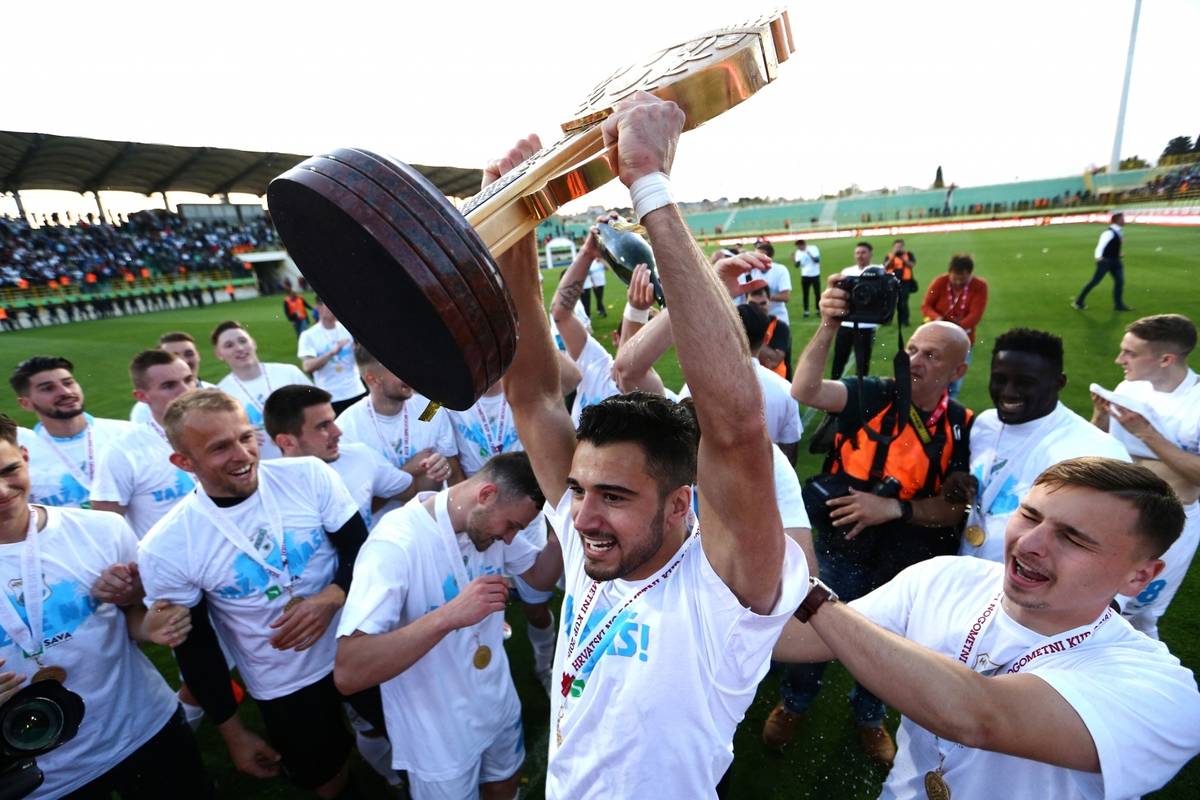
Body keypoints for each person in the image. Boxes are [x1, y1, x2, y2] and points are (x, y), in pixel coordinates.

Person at [488, 92, 807, 798]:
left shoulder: (725, 589)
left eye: (613, 496)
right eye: (579, 491)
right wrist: (515, 228)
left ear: (679, 505)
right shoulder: (590, 544)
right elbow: (534, 394)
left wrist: (649, 185)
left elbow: (737, 429)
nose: (581, 516)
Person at [773, 457, 1200, 799]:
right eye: (1030, 515)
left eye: (1074, 538)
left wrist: (810, 594)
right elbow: (798, 639)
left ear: (1140, 576)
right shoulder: (944, 579)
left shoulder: (1162, 693)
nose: (1029, 544)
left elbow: (976, 716)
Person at [138, 389, 372, 800]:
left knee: (406, 734)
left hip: (358, 641)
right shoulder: (167, 545)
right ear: (183, 462)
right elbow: (196, 647)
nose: (243, 454)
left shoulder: (308, 476)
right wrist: (233, 731)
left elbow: (360, 549)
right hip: (283, 681)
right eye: (220, 447)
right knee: (328, 779)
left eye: (246, 437)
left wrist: (333, 596)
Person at [775, 282, 974, 764]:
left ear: (958, 371)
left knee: (891, 645)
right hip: (843, 545)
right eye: (912, 349)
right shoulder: (875, 393)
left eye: (931, 355)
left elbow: (958, 508)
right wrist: (828, 325)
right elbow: (805, 390)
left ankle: (868, 714)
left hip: (910, 559)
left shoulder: (965, 426)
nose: (917, 360)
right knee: (816, 625)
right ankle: (794, 704)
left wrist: (895, 509)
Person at [0, 414, 212, 799]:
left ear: (26, 457)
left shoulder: (101, 529)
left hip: (144, 728)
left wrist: (149, 623)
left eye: (9, 469)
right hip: (42, 773)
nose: (1, 490)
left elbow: (134, 620)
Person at [333, 453, 560, 799]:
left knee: (505, 783)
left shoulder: (486, 528)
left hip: (497, 701)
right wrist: (449, 616)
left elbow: (539, 580)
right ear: (486, 495)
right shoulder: (394, 545)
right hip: (437, 732)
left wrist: (565, 534)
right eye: (512, 525)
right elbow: (350, 671)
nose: (512, 537)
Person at [959, 328, 1130, 564]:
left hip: (1027, 588)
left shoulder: (1095, 451)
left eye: (1025, 383)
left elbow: (1113, 548)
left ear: (1059, 382)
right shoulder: (985, 424)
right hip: (968, 570)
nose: (1008, 392)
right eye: (999, 379)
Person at [1092, 314, 1200, 638]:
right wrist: (1100, 413)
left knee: (1139, 615)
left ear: (1166, 359)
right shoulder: (1130, 387)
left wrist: (1146, 433)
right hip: (1123, 511)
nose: (1119, 359)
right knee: (1100, 603)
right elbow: (1101, 442)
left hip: (1174, 524)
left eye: (1130, 353)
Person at [446, 382, 560, 690]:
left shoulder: (525, 388)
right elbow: (451, 460)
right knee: (478, 605)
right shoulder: (449, 397)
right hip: (480, 518)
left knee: (536, 607)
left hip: (521, 516)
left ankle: (544, 666)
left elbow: (570, 379)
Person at [264, 383, 431, 527]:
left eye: (333, 421)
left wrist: (433, 467)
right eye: (323, 426)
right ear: (286, 442)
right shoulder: (268, 497)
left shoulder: (361, 457)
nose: (337, 432)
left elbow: (413, 491)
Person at [91, 350, 199, 539]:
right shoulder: (122, 452)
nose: (185, 390)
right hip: (173, 564)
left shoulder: (218, 433)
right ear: (141, 396)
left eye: (188, 380)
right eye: (169, 385)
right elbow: (105, 527)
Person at [11, 355, 132, 508]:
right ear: (26, 403)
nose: (65, 392)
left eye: (68, 383)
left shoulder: (125, 434)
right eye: (48, 388)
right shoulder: (22, 457)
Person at [336, 343, 462, 485]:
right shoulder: (347, 427)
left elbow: (452, 468)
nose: (410, 373)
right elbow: (360, 501)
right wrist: (408, 471)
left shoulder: (430, 408)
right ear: (372, 379)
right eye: (398, 369)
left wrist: (444, 467)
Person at [549, 230, 621, 427]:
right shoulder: (597, 364)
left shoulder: (658, 396)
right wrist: (587, 253)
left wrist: (638, 310)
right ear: (616, 338)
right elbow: (561, 314)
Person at [212, 319, 311, 461]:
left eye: (242, 341)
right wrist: (239, 434)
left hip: (308, 457)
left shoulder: (289, 372)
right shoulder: (220, 394)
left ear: (253, 343)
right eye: (229, 345)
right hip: (266, 469)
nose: (239, 348)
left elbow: (319, 409)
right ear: (219, 353)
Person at [920, 254, 990, 398]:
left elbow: (975, 315)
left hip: (963, 340)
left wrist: (954, 331)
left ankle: (949, 414)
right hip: (937, 340)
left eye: (962, 279)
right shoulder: (940, 282)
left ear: (970, 274)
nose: (958, 282)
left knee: (954, 382)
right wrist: (938, 319)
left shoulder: (979, 286)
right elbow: (926, 306)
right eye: (955, 278)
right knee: (933, 378)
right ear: (949, 272)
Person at [297, 297, 365, 415]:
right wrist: (332, 353)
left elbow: (362, 360)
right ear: (319, 307)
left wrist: (358, 351)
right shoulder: (309, 335)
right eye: (329, 305)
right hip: (332, 396)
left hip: (357, 391)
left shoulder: (348, 328)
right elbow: (307, 366)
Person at [130, 331, 216, 424]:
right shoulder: (142, 413)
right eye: (168, 385)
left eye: (189, 354)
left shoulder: (215, 391)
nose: (184, 360)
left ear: (198, 355)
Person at [830, 242, 880, 379]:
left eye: (863, 252)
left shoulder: (879, 270)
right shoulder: (847, 272)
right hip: (846, 323)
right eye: (857, 253)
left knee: (862, 362)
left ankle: (859, 392)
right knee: (839, 358)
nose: (860, 256)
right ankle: (833, 386)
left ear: (870, 254)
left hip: (866, 324)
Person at [1073, 211, 1133, 311]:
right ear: (1117, 220)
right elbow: (1100, 246)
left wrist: (1118, 253)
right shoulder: (1108, 233)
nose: (1124, 221)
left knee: (1120, 282)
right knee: (1095, 282)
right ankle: (1078, 301)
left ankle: (1118, 305)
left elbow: (1112, 246)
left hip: (1116, 261)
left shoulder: (1119, 231)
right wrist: (1099, 258)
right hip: (1106, 262)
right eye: (1122, 219)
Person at [744, 277, 792, 379]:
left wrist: (748, 336)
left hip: (777, 387)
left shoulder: (779, 327)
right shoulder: (738, 324)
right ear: (745, 302)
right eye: (753, 305)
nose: (758, 309)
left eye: (763, 303)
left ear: (769, 301)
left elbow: (772, 361)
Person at [883, 238, 918, 327]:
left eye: (900, 247)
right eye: (897, 247)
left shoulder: (908, 254)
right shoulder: (890, 255)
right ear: (893, 247)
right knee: (890, 302)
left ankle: (904, 321)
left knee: (903, 302)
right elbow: (885, 267)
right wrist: (893, 257)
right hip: (892, 281)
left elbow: (912, 265)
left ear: (903, 247)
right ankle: (887, 321)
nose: (898, 248)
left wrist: (903, 259)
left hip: (905, 282)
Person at [794, 239, 821, 318]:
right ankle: (806, 311)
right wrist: (795, 262)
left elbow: (817, 260)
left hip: (815, 275)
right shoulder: (798, 252)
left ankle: (818, 310)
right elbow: (797, 265)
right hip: (805, 275)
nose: (798, 247)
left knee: (817, 293)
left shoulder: (813, 248)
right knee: (805, 294)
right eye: (797, 246)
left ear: (803, 244)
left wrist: (809, 254)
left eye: (799, 245)